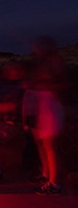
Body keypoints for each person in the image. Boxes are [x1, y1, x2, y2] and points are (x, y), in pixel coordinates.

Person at [23, 37, 67, 195]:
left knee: (50, 145)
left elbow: (61, 84)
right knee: (41, 143)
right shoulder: (39, 63)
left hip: (51, 107)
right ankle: (46, 175)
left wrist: (36, 85)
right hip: (40, 107)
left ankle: (55, 183)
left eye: (38, 46)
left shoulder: (54, 61)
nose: (35, 49)